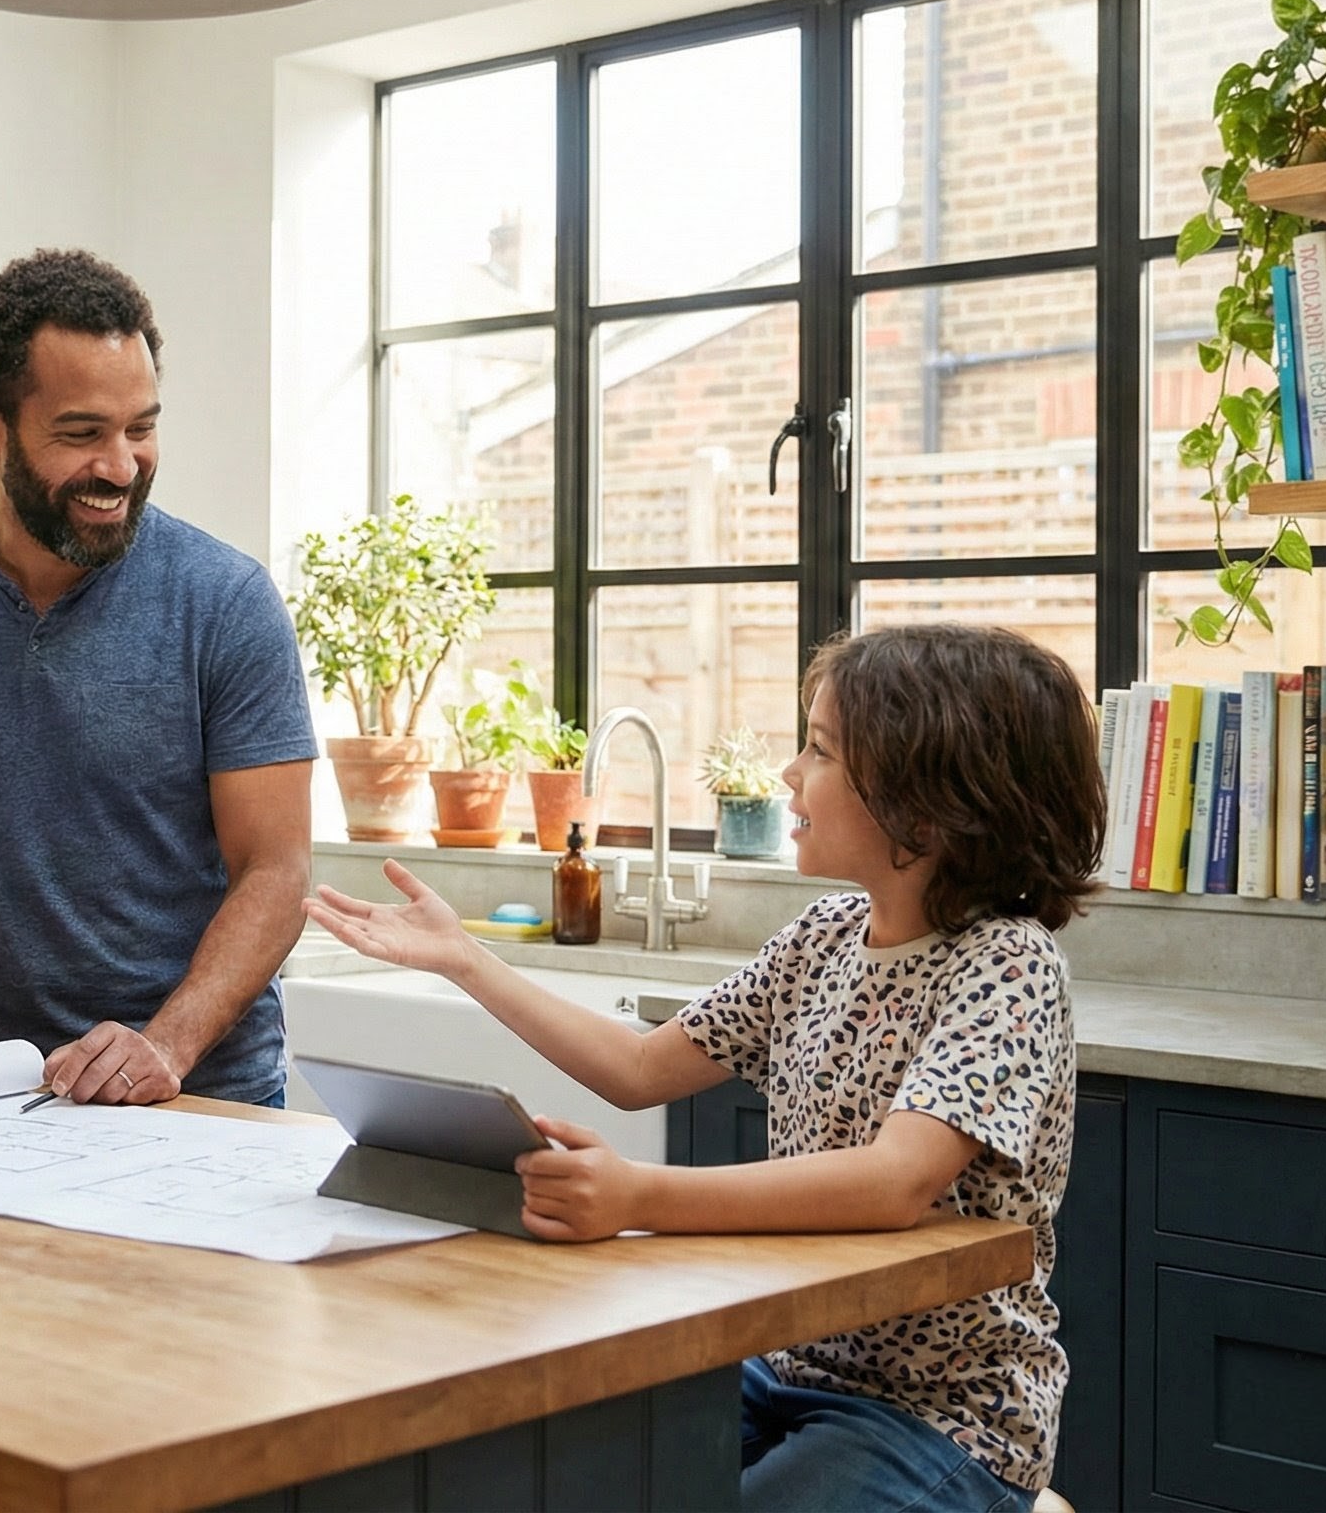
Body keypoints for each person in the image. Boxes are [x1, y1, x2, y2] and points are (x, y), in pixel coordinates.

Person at [304, 624, 1101, 1513]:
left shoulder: (1006, 965)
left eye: (822, 750)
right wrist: (464, 960)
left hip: (943, 1413)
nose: (790, 773)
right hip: (789, 1358)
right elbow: (642, 1067)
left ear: (929, 806)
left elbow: (894, 1182)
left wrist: (638, 1197)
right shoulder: (824, 937)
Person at [0, 248, 318, 1106]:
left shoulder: (226, 600)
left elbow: (275, 871)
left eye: (141, 426)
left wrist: (163, 1047)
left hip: (202, 1096)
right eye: (81, 433)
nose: (122, 465)